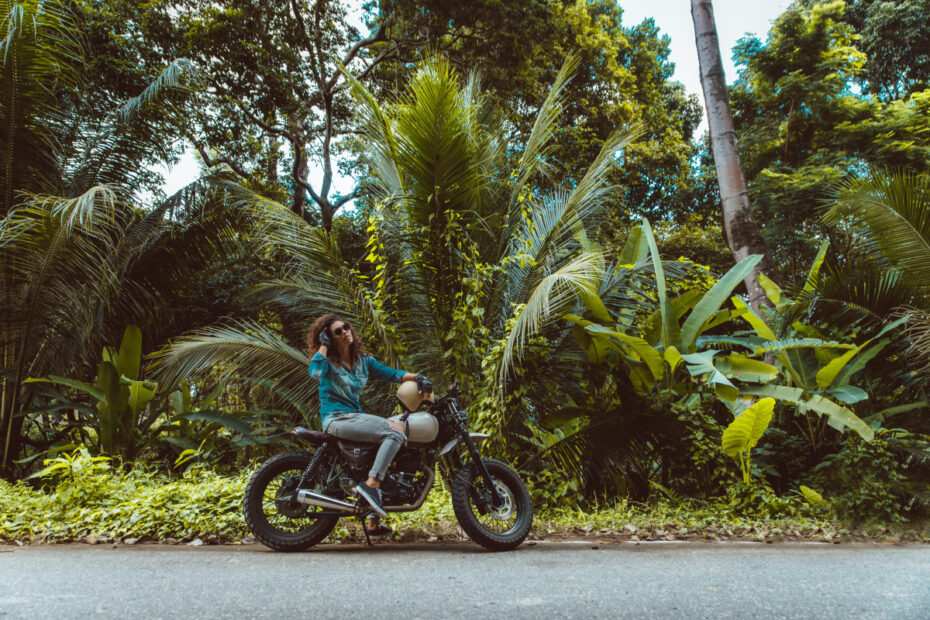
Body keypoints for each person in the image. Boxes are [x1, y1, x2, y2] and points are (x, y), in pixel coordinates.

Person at [307, 313, 432, 537]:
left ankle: (373, 523)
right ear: (328, 337)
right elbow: (314, 372)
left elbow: (392, 374)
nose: (345, 332)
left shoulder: (363, 361)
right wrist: (323, 346)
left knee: (380, 450)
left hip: (355, 417)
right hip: (336, 418)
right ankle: (371, 484)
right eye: (337, 331)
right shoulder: (326, 362)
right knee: (395, 432)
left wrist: (418, 377)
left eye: (346, 327)